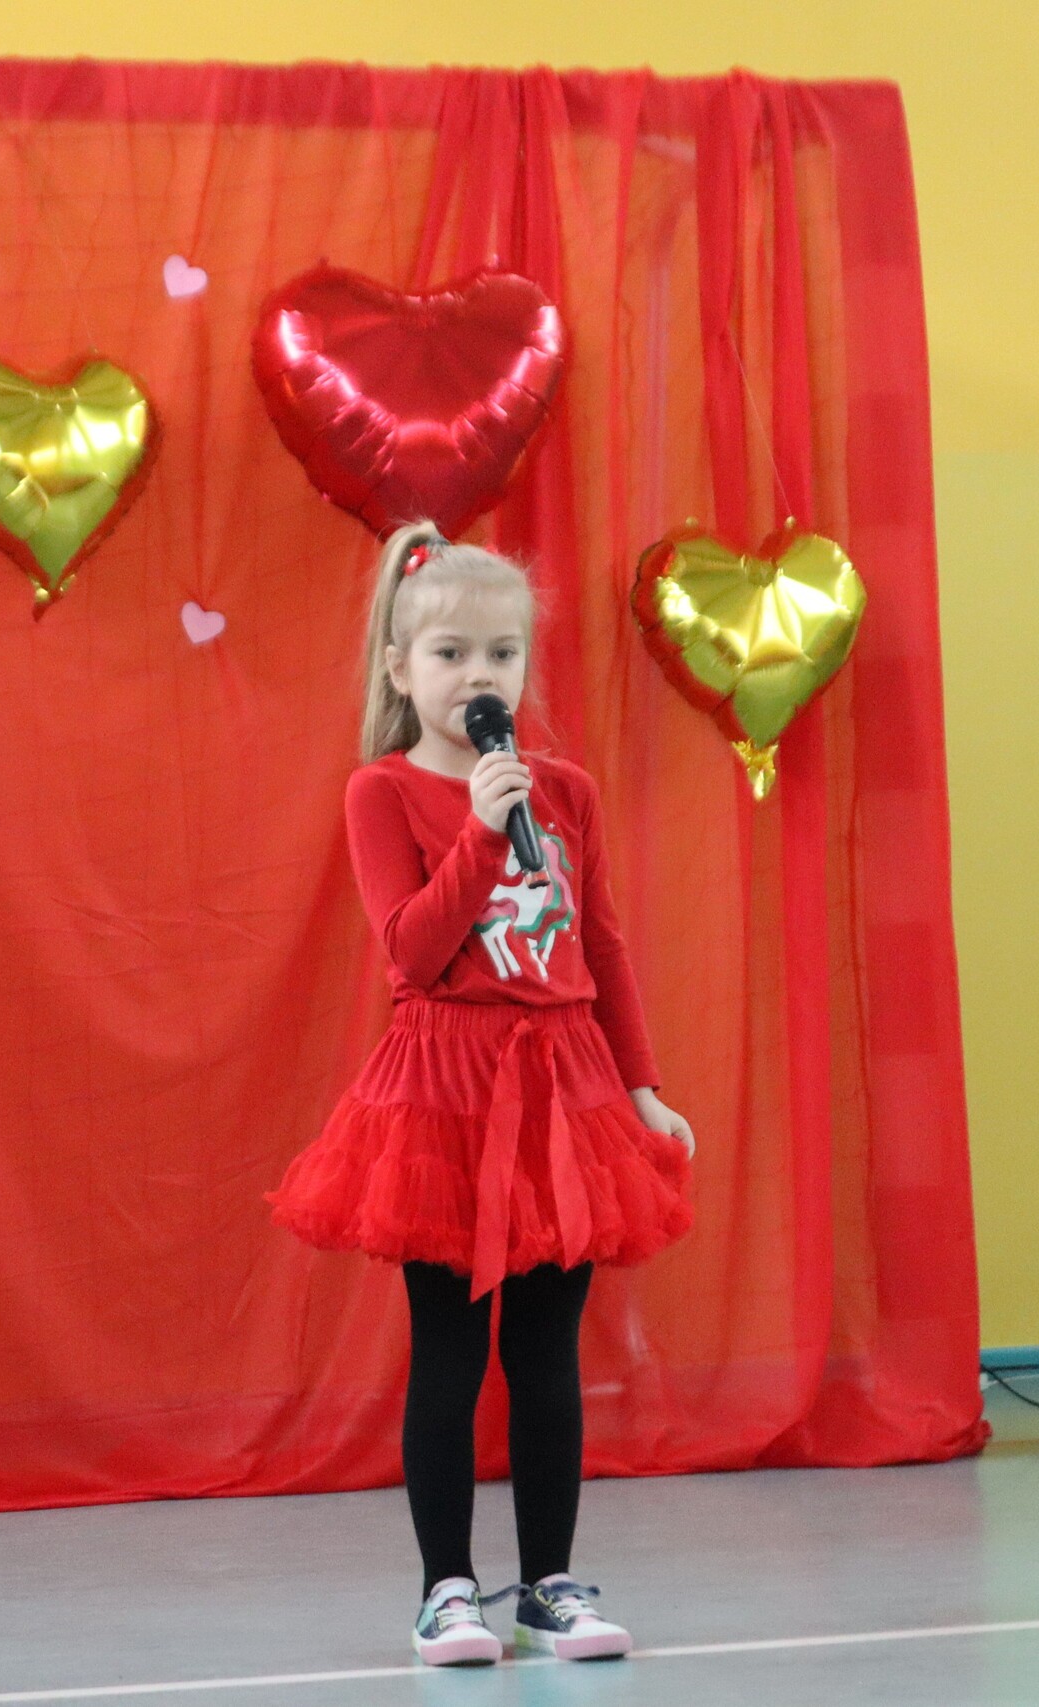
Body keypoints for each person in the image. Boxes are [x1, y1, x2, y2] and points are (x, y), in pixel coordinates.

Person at [267, 521, 696, 1668]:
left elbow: (601, 947)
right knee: (450, 1354)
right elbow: (411, 953)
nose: (478, 677)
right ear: (399, 667)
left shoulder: (567, 793)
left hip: (563, 1088)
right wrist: (477, 830)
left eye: (501, 654)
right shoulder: (381, 792)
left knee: (547, 1355)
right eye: (450, 654)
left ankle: (549, 1586)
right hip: (444, 1092)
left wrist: (641, 1089)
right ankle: (445, 1592)